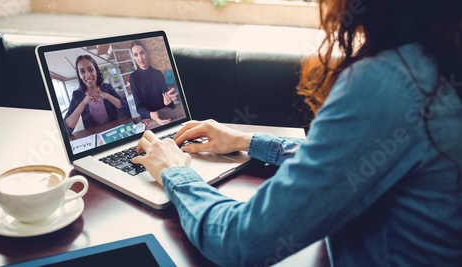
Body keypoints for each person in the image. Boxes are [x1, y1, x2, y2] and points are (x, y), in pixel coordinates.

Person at [132, 0, 462, 266]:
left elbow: (240, 242)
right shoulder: (441, 61)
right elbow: (352, 160)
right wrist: (247, 141)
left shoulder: (389, 82)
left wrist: (175, 173)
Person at [64, 55, 131, 135]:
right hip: (94, 136)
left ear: (96, 72)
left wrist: (106, 96)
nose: (88, 75)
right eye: (82, 71)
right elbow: (66, 130)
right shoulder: (77, 95)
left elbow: (128, 110)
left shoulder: (108, 88)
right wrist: (83, 103)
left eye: (90, 69)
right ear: (79, 75)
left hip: (114, 130)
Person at [129, 40, 178, 125]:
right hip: (149, 119)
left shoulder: (158, 73)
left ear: (146, 53)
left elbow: (166, 97)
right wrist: (152, 115)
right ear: (133, 57)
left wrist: (167, 101)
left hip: (165, 115)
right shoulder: (133, 77)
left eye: (142, 53)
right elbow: (139, 107)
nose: (140, 58)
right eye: (136, 55)